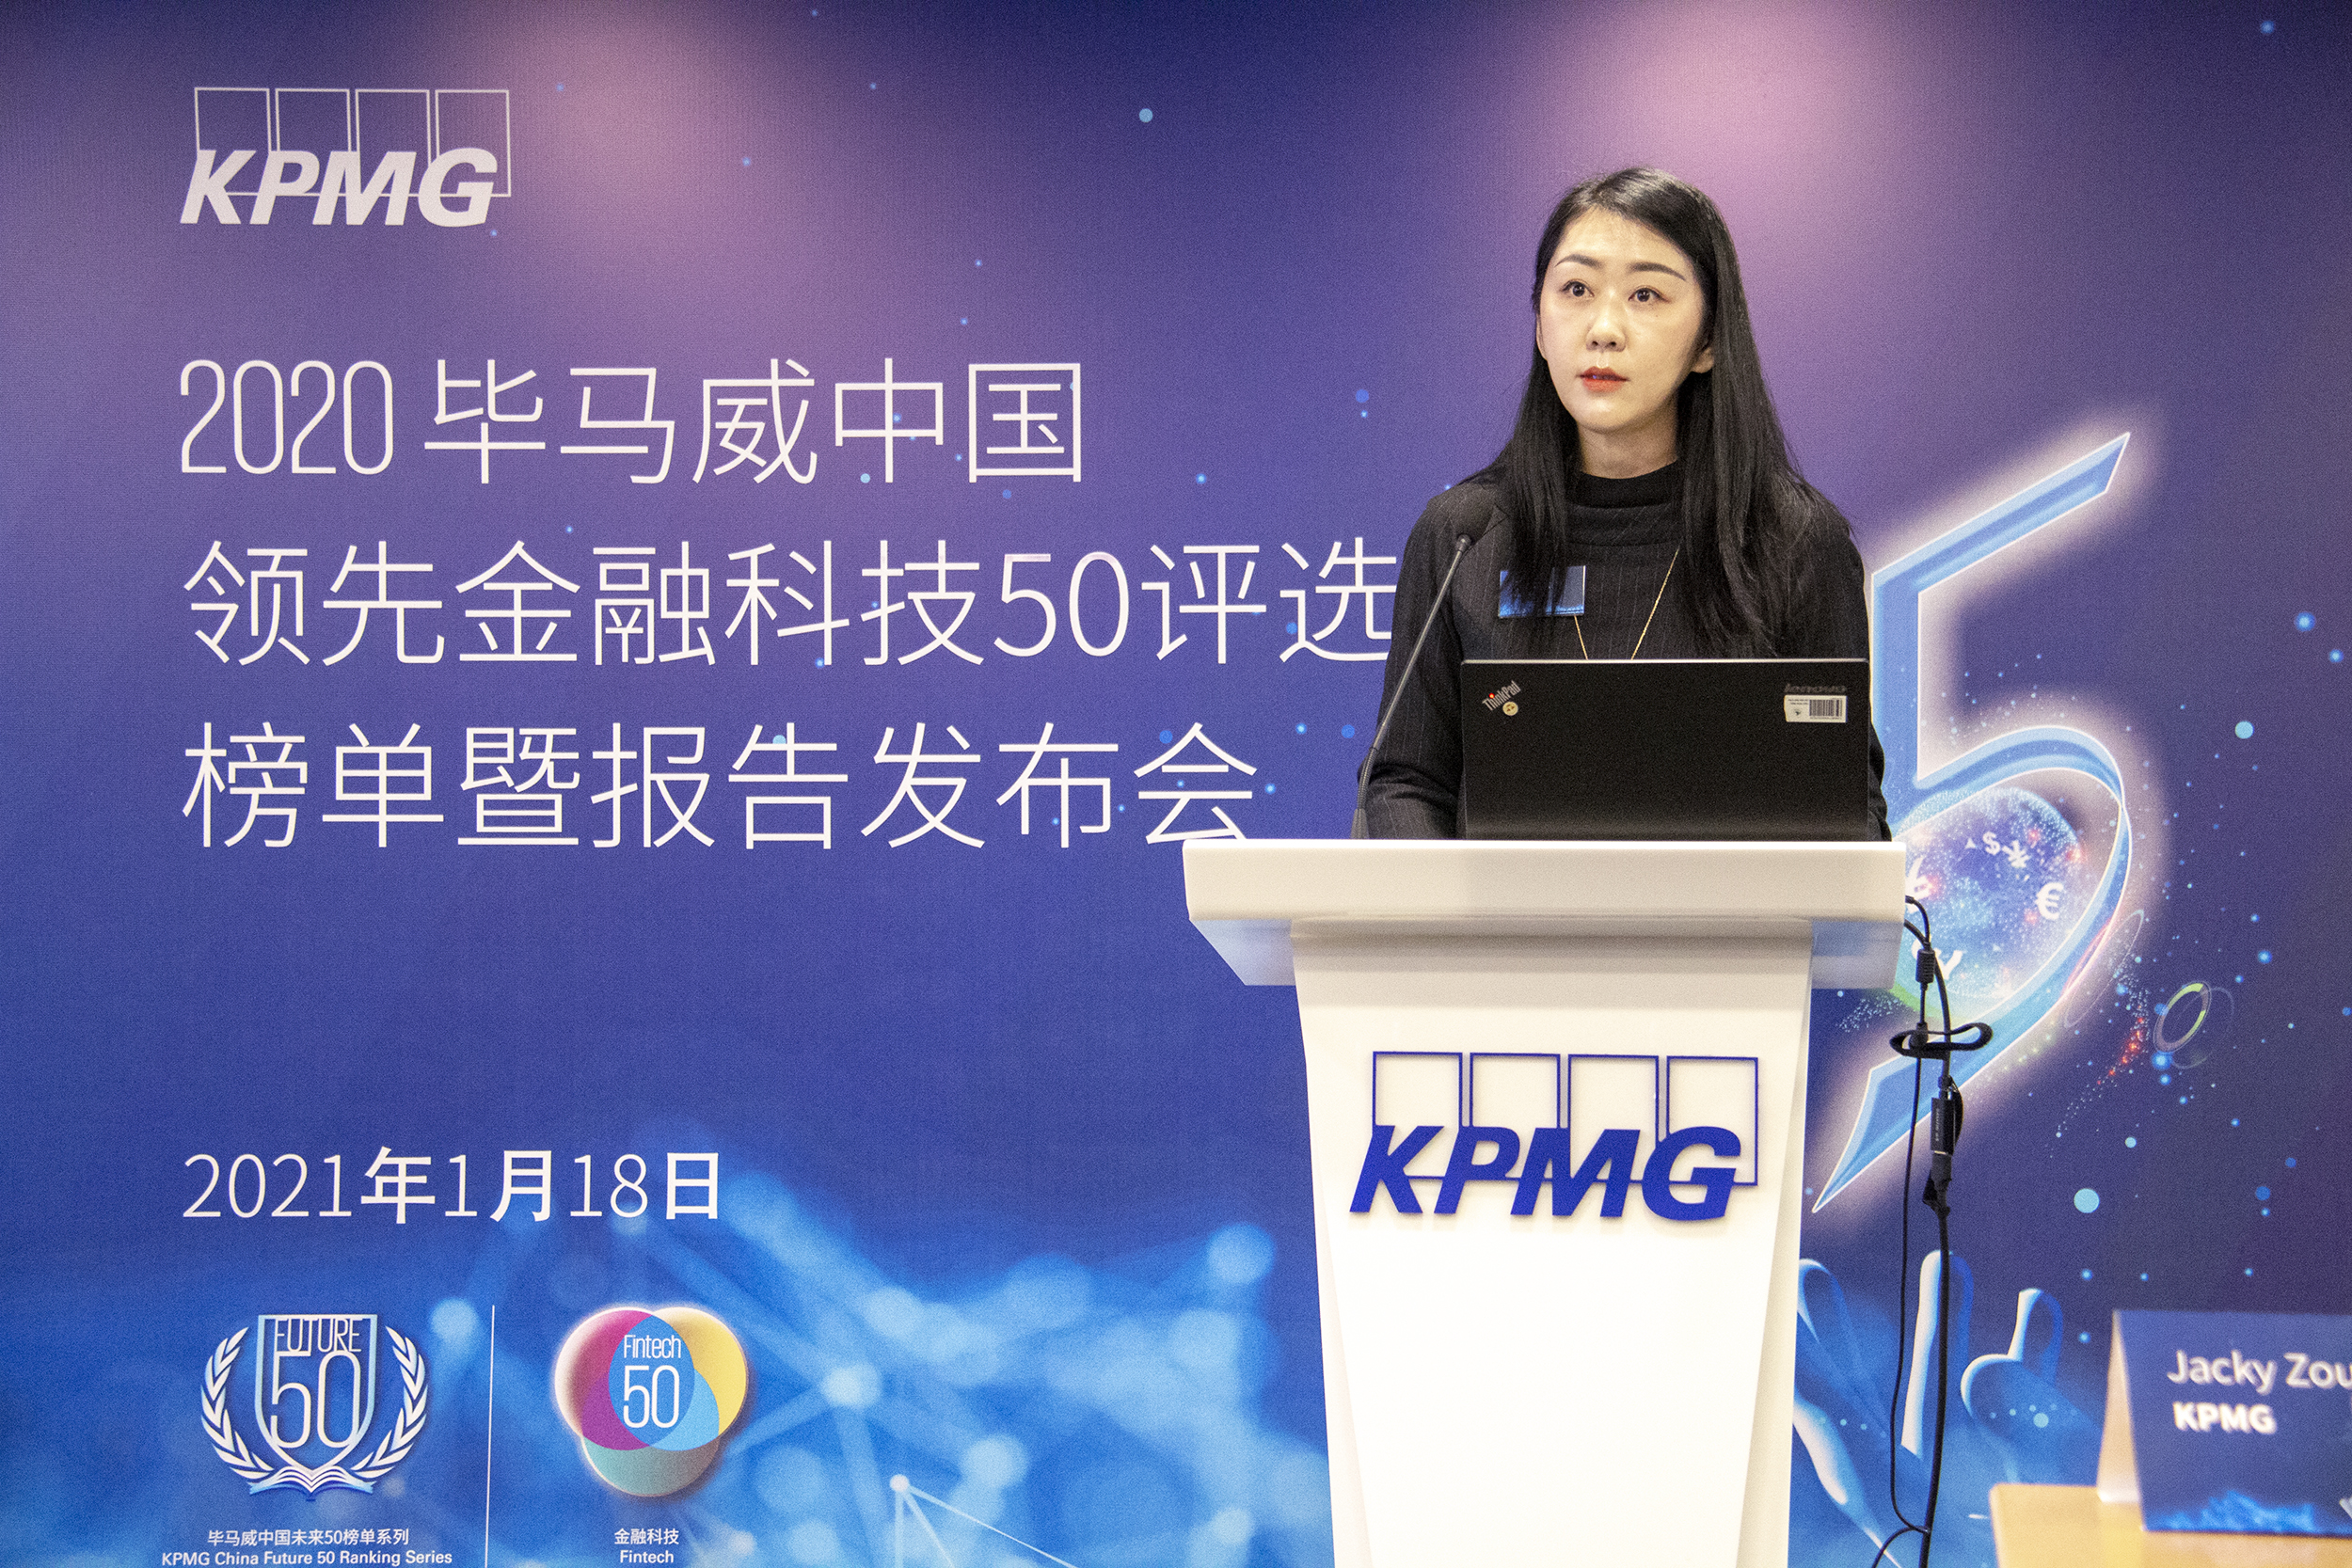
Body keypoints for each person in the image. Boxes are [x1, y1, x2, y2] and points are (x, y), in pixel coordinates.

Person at [1361, 166, 1890, 839]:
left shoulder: (1793, 541)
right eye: (1576, 290)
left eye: (1646, 294)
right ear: (1540, 325)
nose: (1604, 328)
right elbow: (1406, 782)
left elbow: (1846, 808)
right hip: (1504, 913)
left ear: (1707, 341)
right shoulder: (1463, 536)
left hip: (1723, 913)